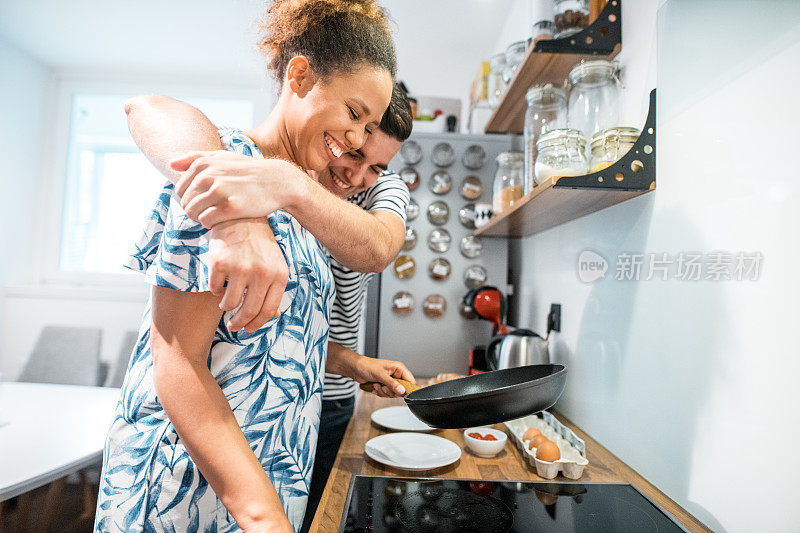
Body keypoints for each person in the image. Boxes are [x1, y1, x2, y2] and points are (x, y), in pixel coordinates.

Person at [94, 2, 413, 531]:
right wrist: (262, 514)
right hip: (188, 491)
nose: (357, 141)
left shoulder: (300, 198)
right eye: (355, 114)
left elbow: (267, 339)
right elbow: (176, 362)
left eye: (370, 127)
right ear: (300, 74)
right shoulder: (228, 170)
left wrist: (353, 364)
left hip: (266, 479)